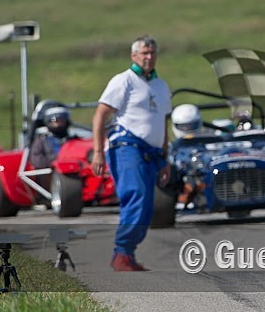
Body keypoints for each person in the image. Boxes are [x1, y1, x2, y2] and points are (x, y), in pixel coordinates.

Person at [91, 35, 172, 272]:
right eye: (144, 53)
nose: (149, 57)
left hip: (151, 153)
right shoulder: (124, 81)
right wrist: (97, 152)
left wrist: (164, 159)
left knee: (147, 204)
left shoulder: (161, 86)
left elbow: (162, 124)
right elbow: (100, 115)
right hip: (127, 147)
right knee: (135, 194)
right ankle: (121, 252)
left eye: (152, 53)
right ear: (133, 55)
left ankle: (127, 254)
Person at [29, 105, 72, 188]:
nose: (58, 124)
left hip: (71, 173)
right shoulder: (42, 140)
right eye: (55, 121)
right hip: (49, 175)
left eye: (62, 121)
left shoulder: (72, 140)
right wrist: (54, 164)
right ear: (48, 122)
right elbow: (36, 159)